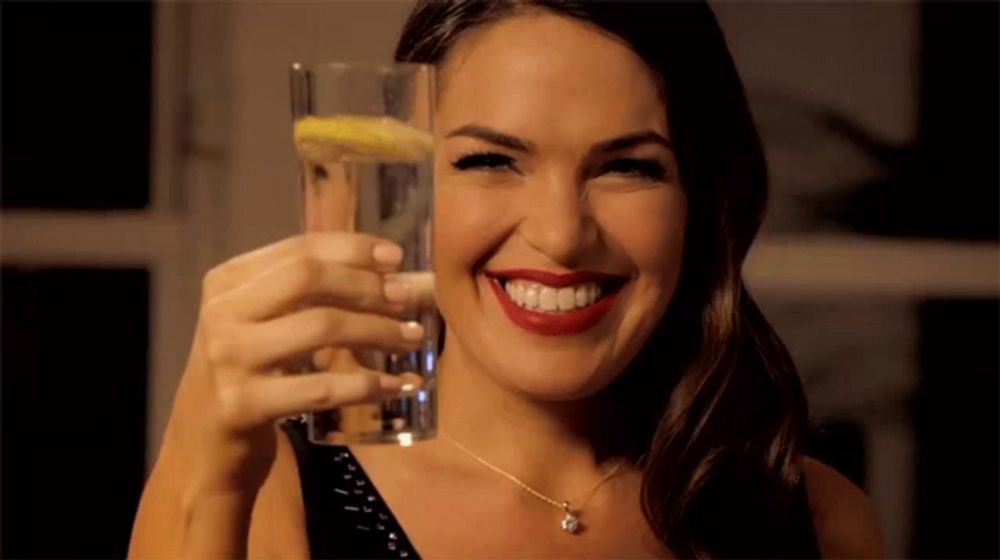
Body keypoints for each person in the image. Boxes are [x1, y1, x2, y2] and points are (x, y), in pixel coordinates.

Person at [129, 1, 884, 558]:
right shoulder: (261, 496)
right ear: (411, 186)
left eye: (628, 167)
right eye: (490, 161)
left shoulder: (816, 518)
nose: (559, 234)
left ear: (700, 204)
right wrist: (211, 466)